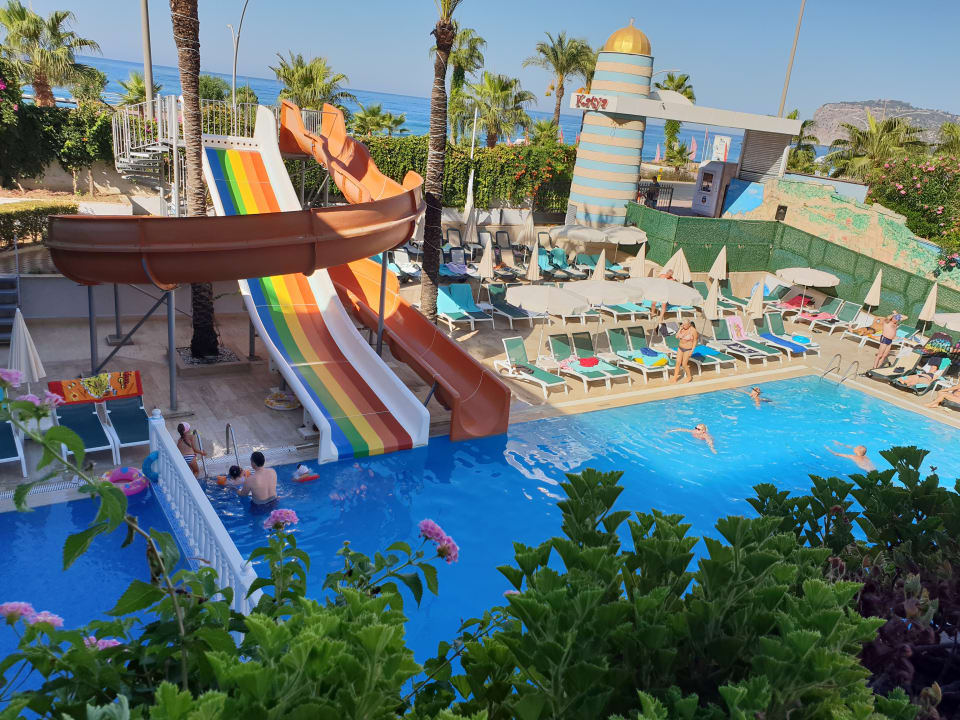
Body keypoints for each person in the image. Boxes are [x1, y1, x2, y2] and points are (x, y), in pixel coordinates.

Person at [672, 319, 698, 384]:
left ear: (689, 324)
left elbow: (695, 341)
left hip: (688, 349)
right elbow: (676, 336)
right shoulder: (682, 328)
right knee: (678, 362)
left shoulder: (693, 330)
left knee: (684, 364)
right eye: (683, 325)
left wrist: (692, 350)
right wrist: (680, 329)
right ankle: (675, 377)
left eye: (685, 325)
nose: (684, 326)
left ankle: (689, 377)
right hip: (680, 348)